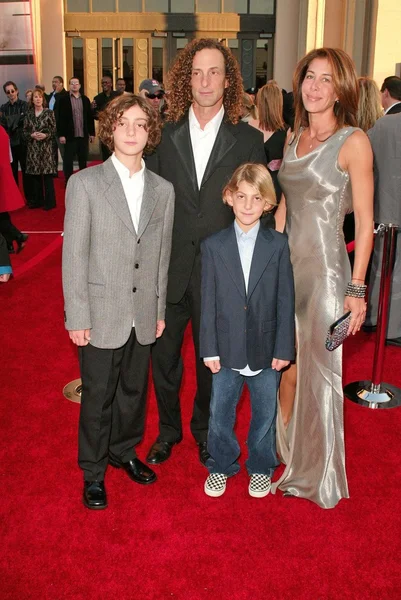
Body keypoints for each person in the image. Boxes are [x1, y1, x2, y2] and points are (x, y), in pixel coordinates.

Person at [145, 38, 266, 467]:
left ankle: (204, 431)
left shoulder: (248, 140)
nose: (205, 81)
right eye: (196, 72)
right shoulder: (164, 133)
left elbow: (259, 209)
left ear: (228, 79)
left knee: (210, 363)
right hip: (168, 268)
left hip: (221, 273)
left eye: (214, 71)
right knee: (164, 359)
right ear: (185, 79)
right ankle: (167, 431)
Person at [62, 93, 175, 510]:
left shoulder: (163, 191)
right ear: (109, 130)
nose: (131, 131)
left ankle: (123, 451)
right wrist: (77, 314)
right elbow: (73, 255)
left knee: (133, 391)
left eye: (140, 124)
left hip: (142, 311)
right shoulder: (85, 183)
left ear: (150, 133)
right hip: (100, 312)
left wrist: (159, 310)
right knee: (97, 395)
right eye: (123, 122)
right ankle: (92, 472)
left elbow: (161, 255)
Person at [273, 47, 374, 508]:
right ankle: (289, 450)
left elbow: (366, 224)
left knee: (326, 370)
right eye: (309, 77)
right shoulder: (292, 137)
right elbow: (284, 208)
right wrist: (263, 267)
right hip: (286, 273)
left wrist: (357, 291)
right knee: (286, 367)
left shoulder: (353, 141)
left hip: (331, 281)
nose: (314, 87)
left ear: (341, 89)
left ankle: (321, 471)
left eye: (326, 80)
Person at [200, 163, 295, 498]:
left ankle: (261, 466)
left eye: (257, 198)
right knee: (220, 413)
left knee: (264, 415)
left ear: (268, 203)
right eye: (241, 196)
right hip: (224, 349)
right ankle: (221, 464)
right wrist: (208, 348)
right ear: (229, 197)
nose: (248, 205)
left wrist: (284, 348)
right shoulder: (213, 246)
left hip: (266, 348)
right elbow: (208, 302)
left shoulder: (278, 245)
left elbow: (285, 299)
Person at [364, 112, 401, 346]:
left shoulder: (383, 124)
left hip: (382, 207)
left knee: (379, 264)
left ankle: (371, 317)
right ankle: (392, 327)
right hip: (387, 206)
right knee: (397, 269)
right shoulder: (384, 123)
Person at [248, 80, 288, 202]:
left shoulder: (247, 127)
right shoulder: (287, 132)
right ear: (279, 103)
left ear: (259, 102)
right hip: (275, 188)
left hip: (251, 184)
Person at [23, 89, 57, 210]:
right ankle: (37, 201)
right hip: (33, 149)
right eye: (35, 97)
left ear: (43, 99)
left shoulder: (49, 113)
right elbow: (24, 131)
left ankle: (50, 202)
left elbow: (54, 130)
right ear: (32, 100)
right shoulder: (29, 114)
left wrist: (46, 135)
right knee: (35, 176)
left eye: (40, 97)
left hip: (45, 148)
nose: (38, 99)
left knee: (47, 176)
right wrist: (31, 135)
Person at [57, 77, 95, 185]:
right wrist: (61, 135)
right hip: (69, 136)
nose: (74, 85)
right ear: (69, 85)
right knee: (68, 160)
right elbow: (60, 118)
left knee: (83, 160)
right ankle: (68, 181)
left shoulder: (85, 99)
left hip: (82, 135)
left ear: (80, 86)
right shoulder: (64, 100)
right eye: (72, 83)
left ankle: (83, 182)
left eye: (76, 83)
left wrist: (92, 133)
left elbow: (89, 117)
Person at [0, 81, 31, 203]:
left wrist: (12, 123)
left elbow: (24, 121)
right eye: (8, 92)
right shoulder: (3, 107)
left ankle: (29, 199)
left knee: (26, 171)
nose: (11, 94)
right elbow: (3, 124)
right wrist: (15, 122)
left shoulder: (25, 105)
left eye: (12, 91)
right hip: (9, 144)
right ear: (6, 94)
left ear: (17, 91)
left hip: (23, 142)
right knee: (12, 173)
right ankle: (15, 199)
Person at [0, 124, 27, 254]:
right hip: (3, 174)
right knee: (2, 212)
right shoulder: (2, 131)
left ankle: (17, 236)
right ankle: (10, 243)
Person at [92, 75, 119, 161]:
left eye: (106, 82)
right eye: (102, 83)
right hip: (104, 129)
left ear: (111, 84)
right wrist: (92, 109)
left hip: (117, 128)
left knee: (117, 151)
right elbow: (95, 116)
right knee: (105, 153)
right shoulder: (97, 98)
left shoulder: (118, 96)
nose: (104, 84)